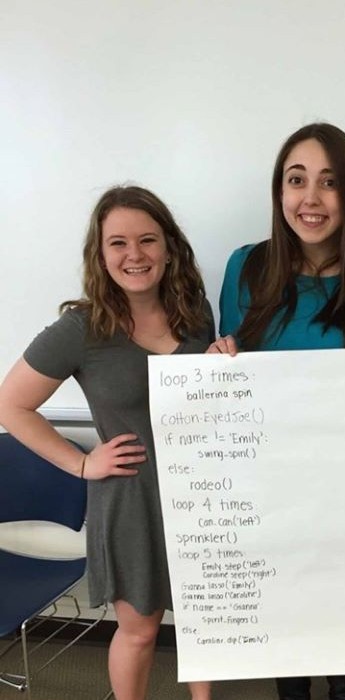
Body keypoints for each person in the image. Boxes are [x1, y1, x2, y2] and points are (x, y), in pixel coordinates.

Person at [210, 122, 345, 700]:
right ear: (279, 193)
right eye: (296, 181)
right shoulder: (246, 267)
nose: (311, 199)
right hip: (269, 490)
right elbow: (234, 366)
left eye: (329, 183)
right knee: (287, 635)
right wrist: (220, 356)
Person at [0, 186, 215, 700]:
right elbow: (11, 405)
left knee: (207, 618)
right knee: (140, 630)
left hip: (203, 490)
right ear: (100, 254)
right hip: (130, 499)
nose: (134, 255)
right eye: (118, 243)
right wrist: (79, 464)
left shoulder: (196, 311)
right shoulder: (81, 327)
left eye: (147, 240)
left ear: (169, 246)